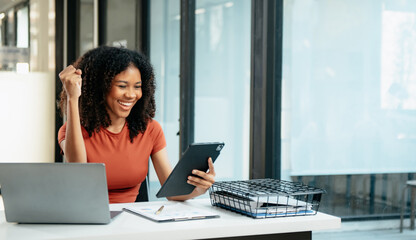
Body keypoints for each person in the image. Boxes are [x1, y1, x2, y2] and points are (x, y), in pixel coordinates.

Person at [57, 46, 215, 203]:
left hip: (132, 223)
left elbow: (172, 192)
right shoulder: (71, 132)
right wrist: (73, 98)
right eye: (122, 86)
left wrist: (199, 189)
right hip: (88, 220)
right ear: (101, 88)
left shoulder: (150, 129)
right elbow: (78, 171)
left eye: (137, 87)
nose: (131, 95)